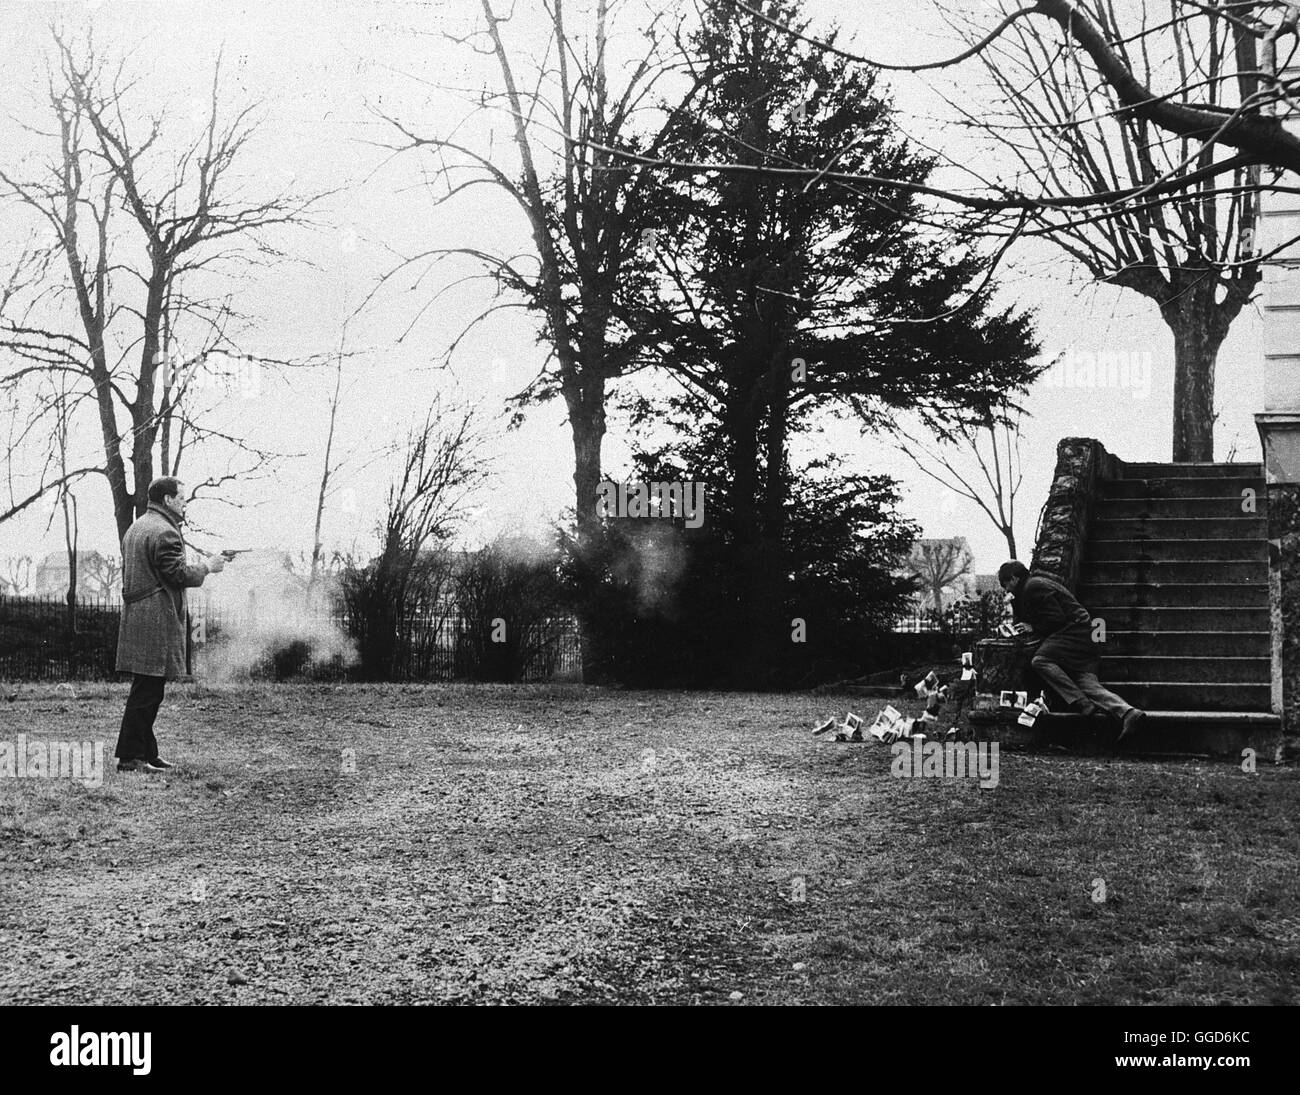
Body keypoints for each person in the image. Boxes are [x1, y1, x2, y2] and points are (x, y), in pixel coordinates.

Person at [114, 477, 225, 773]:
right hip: (156, 618)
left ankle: (146, 753)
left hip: (139, 616)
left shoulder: (136, 528)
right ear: (167, 500)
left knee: (147, 687)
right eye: (181, 498)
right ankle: (130, 757)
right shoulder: (165, 532)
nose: (184, 503)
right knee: (148, 690)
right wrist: (207, 567)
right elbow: (176, 575)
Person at [997, 560, 1145, 743]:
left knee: (1040, 661)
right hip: (1085, 638)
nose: (1006, 590)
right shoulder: (1033, 585)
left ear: (1013, 578)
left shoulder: (1032, 587)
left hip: (1074, 634)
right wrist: (1016, 605)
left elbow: (1055, 619)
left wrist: (1032, 627)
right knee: (1085, 682)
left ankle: (1080, 703)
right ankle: (1129, 712)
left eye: (1006, 585)